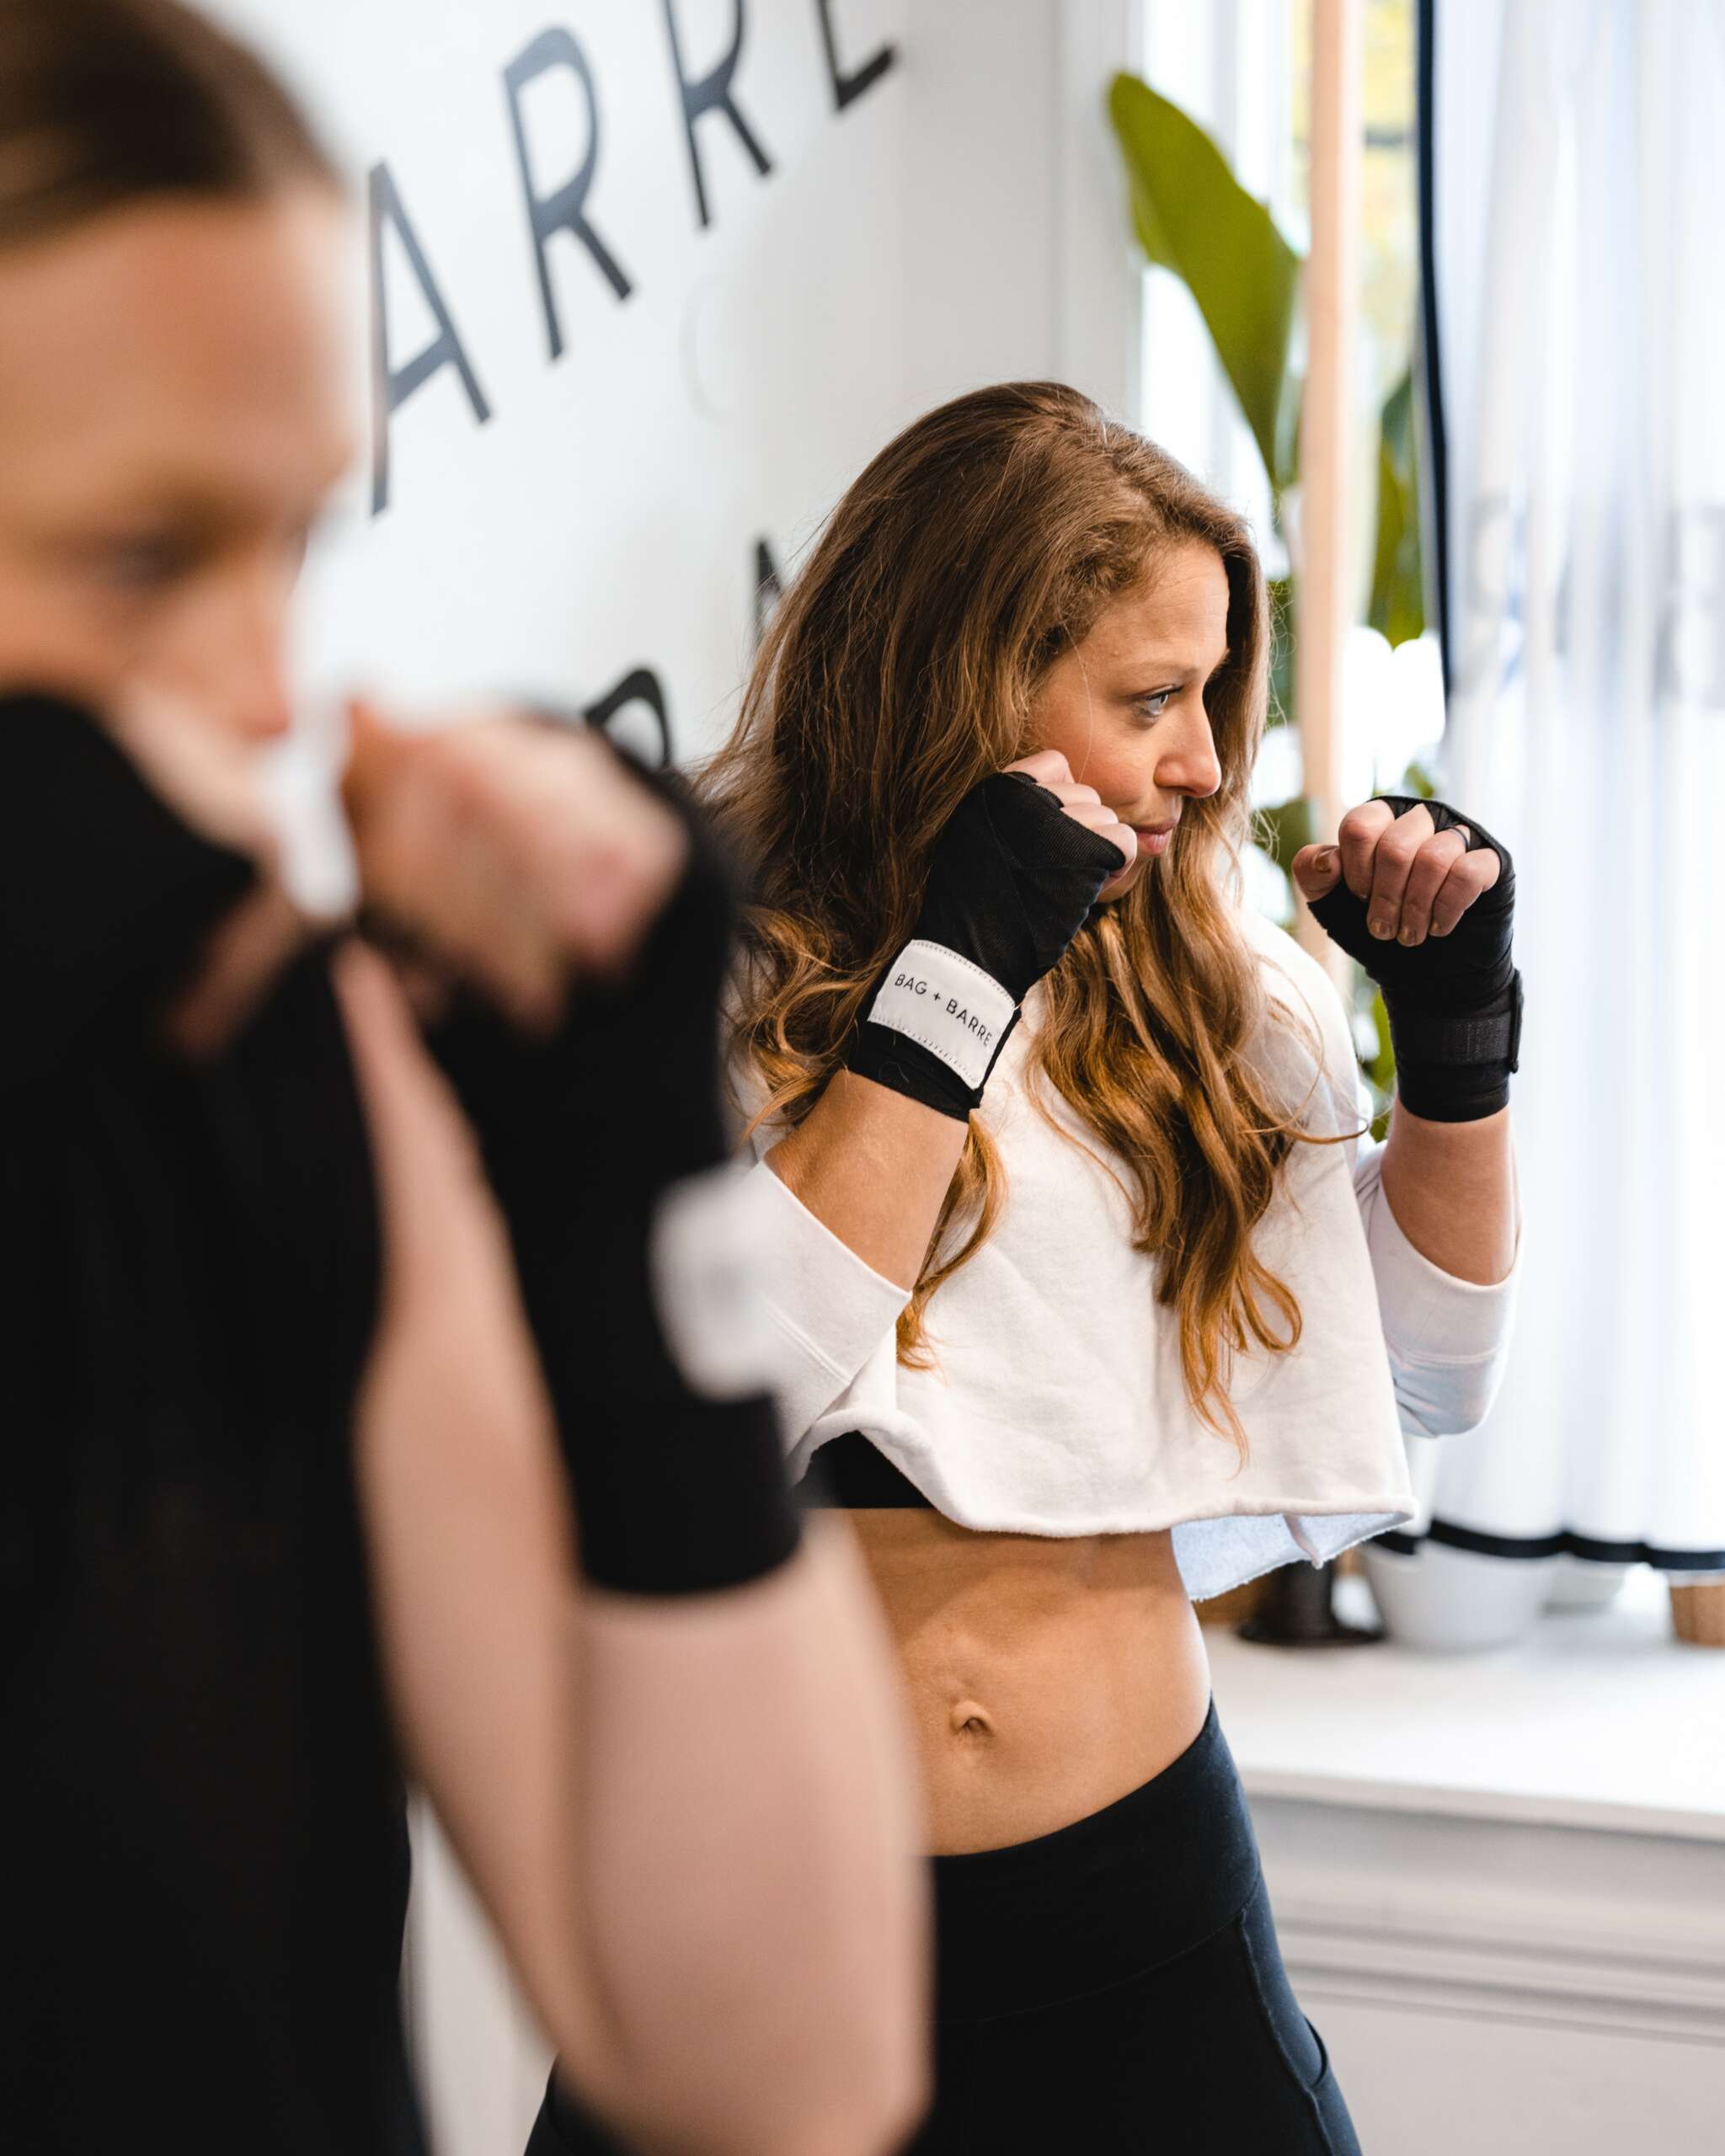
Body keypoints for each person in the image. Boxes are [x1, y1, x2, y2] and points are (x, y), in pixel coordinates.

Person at [0, 5, 927, 2153]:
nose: (265, 689)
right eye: (140, 558)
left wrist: (638, 1200)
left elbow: (786, 2067)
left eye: (296, 543)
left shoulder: (266, 1076)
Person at [691, 381, 1524, 2150]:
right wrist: (953, 974)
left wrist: (1458, 1055)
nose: (1205, 762)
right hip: (756, 1917)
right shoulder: (708, 967)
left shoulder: (1215, 991)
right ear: (962, 688)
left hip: (1135, 1912)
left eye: (1213, 696)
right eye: (1151, 700)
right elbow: (718, 1403)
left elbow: (1420, 1379)